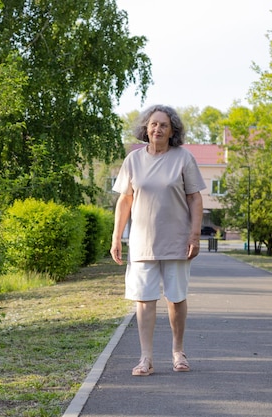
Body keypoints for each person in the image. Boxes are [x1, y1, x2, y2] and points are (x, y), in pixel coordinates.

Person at [110, 104, 205, 376]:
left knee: (175, 299)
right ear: (146, 127)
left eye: (163, 125)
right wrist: (117, 237)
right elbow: (125, 200)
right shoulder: (133, 160)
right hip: (142, 242)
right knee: (144, 299)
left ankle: (178, 352)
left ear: (172, 130)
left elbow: (195, 198)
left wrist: (195, 235)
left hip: (177, 240)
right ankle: (146, 358)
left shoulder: (183, 158)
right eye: (153, 124)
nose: (157, 129)